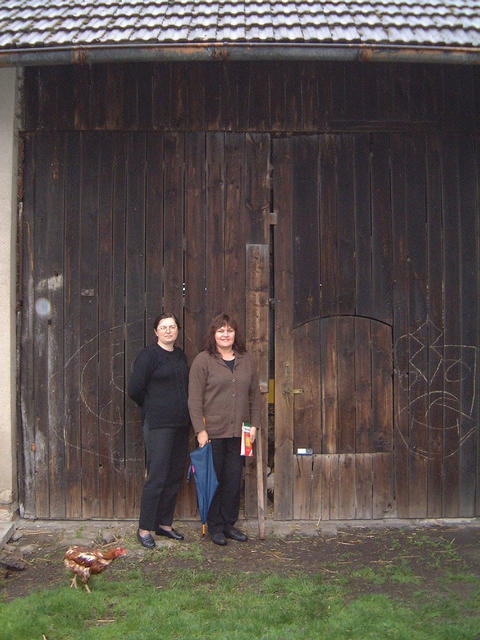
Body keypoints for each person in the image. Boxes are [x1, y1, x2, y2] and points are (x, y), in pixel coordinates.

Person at [188, 312, 262, 546]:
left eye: (229, 330)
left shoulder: (246, 360)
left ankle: (229, 524)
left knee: (233, 479)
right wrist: (200, 430)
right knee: (215, 480)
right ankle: (215, 526)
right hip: (213, 434)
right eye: (221, 331)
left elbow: (255, 397)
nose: (225, 334)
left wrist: (254, 427)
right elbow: (194, 399)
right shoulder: (203, 360)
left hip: (241, 432)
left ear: (235, 334)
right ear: (214, 334)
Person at [128, 312, 190, 549]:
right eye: (163, 327)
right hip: (158, 425)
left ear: (177, 330)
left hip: (181, 424)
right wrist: (155, 405)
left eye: (172, 327)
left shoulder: (180, 355)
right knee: (157, 476)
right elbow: (135, 389)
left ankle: (164, 524)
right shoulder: (148, 356)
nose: (168, 331)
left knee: (174, 476)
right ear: (156, 332)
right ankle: (144, 528)